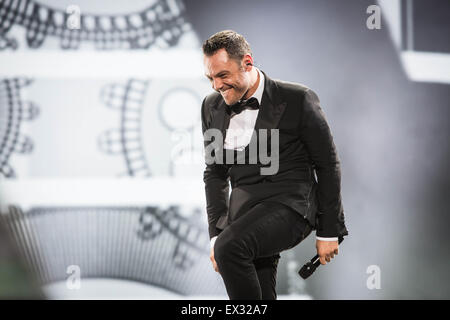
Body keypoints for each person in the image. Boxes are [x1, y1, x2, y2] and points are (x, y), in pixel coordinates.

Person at [201, 30, 348, 300]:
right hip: (244, 213)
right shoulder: (211, 106)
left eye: (222, 75)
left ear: (247, 62)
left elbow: (327, 164)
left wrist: (330, 229)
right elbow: (215, 174)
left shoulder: (297, 99)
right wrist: (216, 234)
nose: (216, 85)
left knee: (231, 248)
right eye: (210, 77)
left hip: (291, 205)